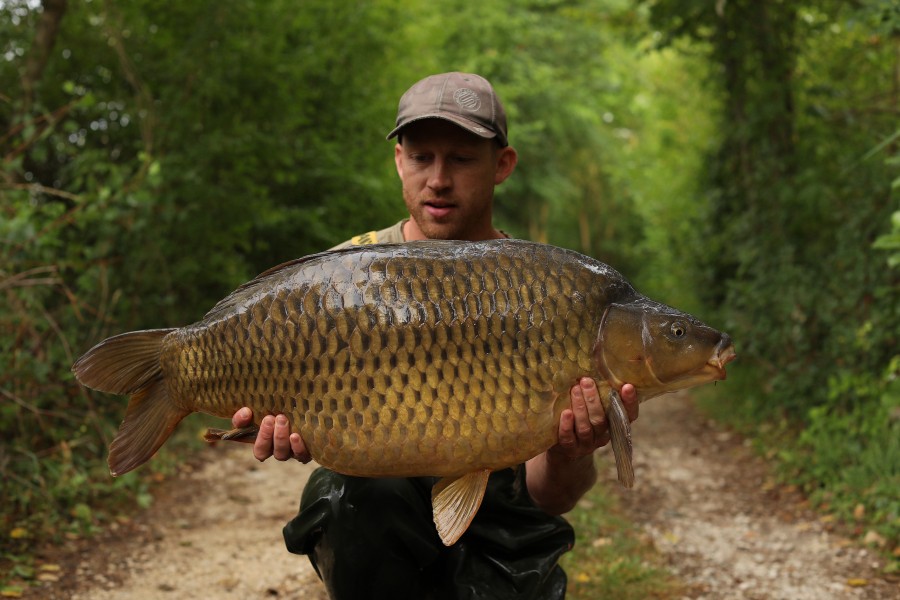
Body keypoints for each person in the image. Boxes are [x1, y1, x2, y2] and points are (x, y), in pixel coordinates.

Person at [231, 72, 639, 599]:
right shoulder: (341, 278)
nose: (439, 180)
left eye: (462, 159)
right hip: (379, 507)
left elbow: (552, 497)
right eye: (422, 157)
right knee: (348, 498)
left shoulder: (544, 290)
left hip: (503, 523)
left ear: (502, 165)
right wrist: (279, 428)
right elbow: (285, 420)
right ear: (400, 160)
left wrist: (569, 451)